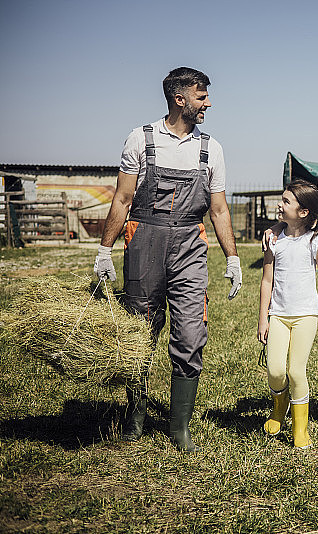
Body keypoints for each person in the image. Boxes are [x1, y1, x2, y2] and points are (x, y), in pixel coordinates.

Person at [93, 67, 242, 452]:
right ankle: (136, 415)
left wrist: (233, 258)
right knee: (140, 332)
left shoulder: (211, 148)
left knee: (191, 334)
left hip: (191, 243)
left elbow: (220, 209)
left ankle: (180, 427)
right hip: (144, 240)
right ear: (180, 99)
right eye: (201, 95)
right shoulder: (140, 139)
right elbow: (123, 200)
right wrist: (104, 250)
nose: (207, 102)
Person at [257, 179, 318, 449]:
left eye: (286, 201)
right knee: (276, 370)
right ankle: (279, 408)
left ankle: (300, 428)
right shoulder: (273, 240)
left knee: (296, 371)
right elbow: (266, 281)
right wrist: (263, 318)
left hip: (306, 316)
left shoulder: (316, 240)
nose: (280, 204)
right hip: (278, 314)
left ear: (303, 212)